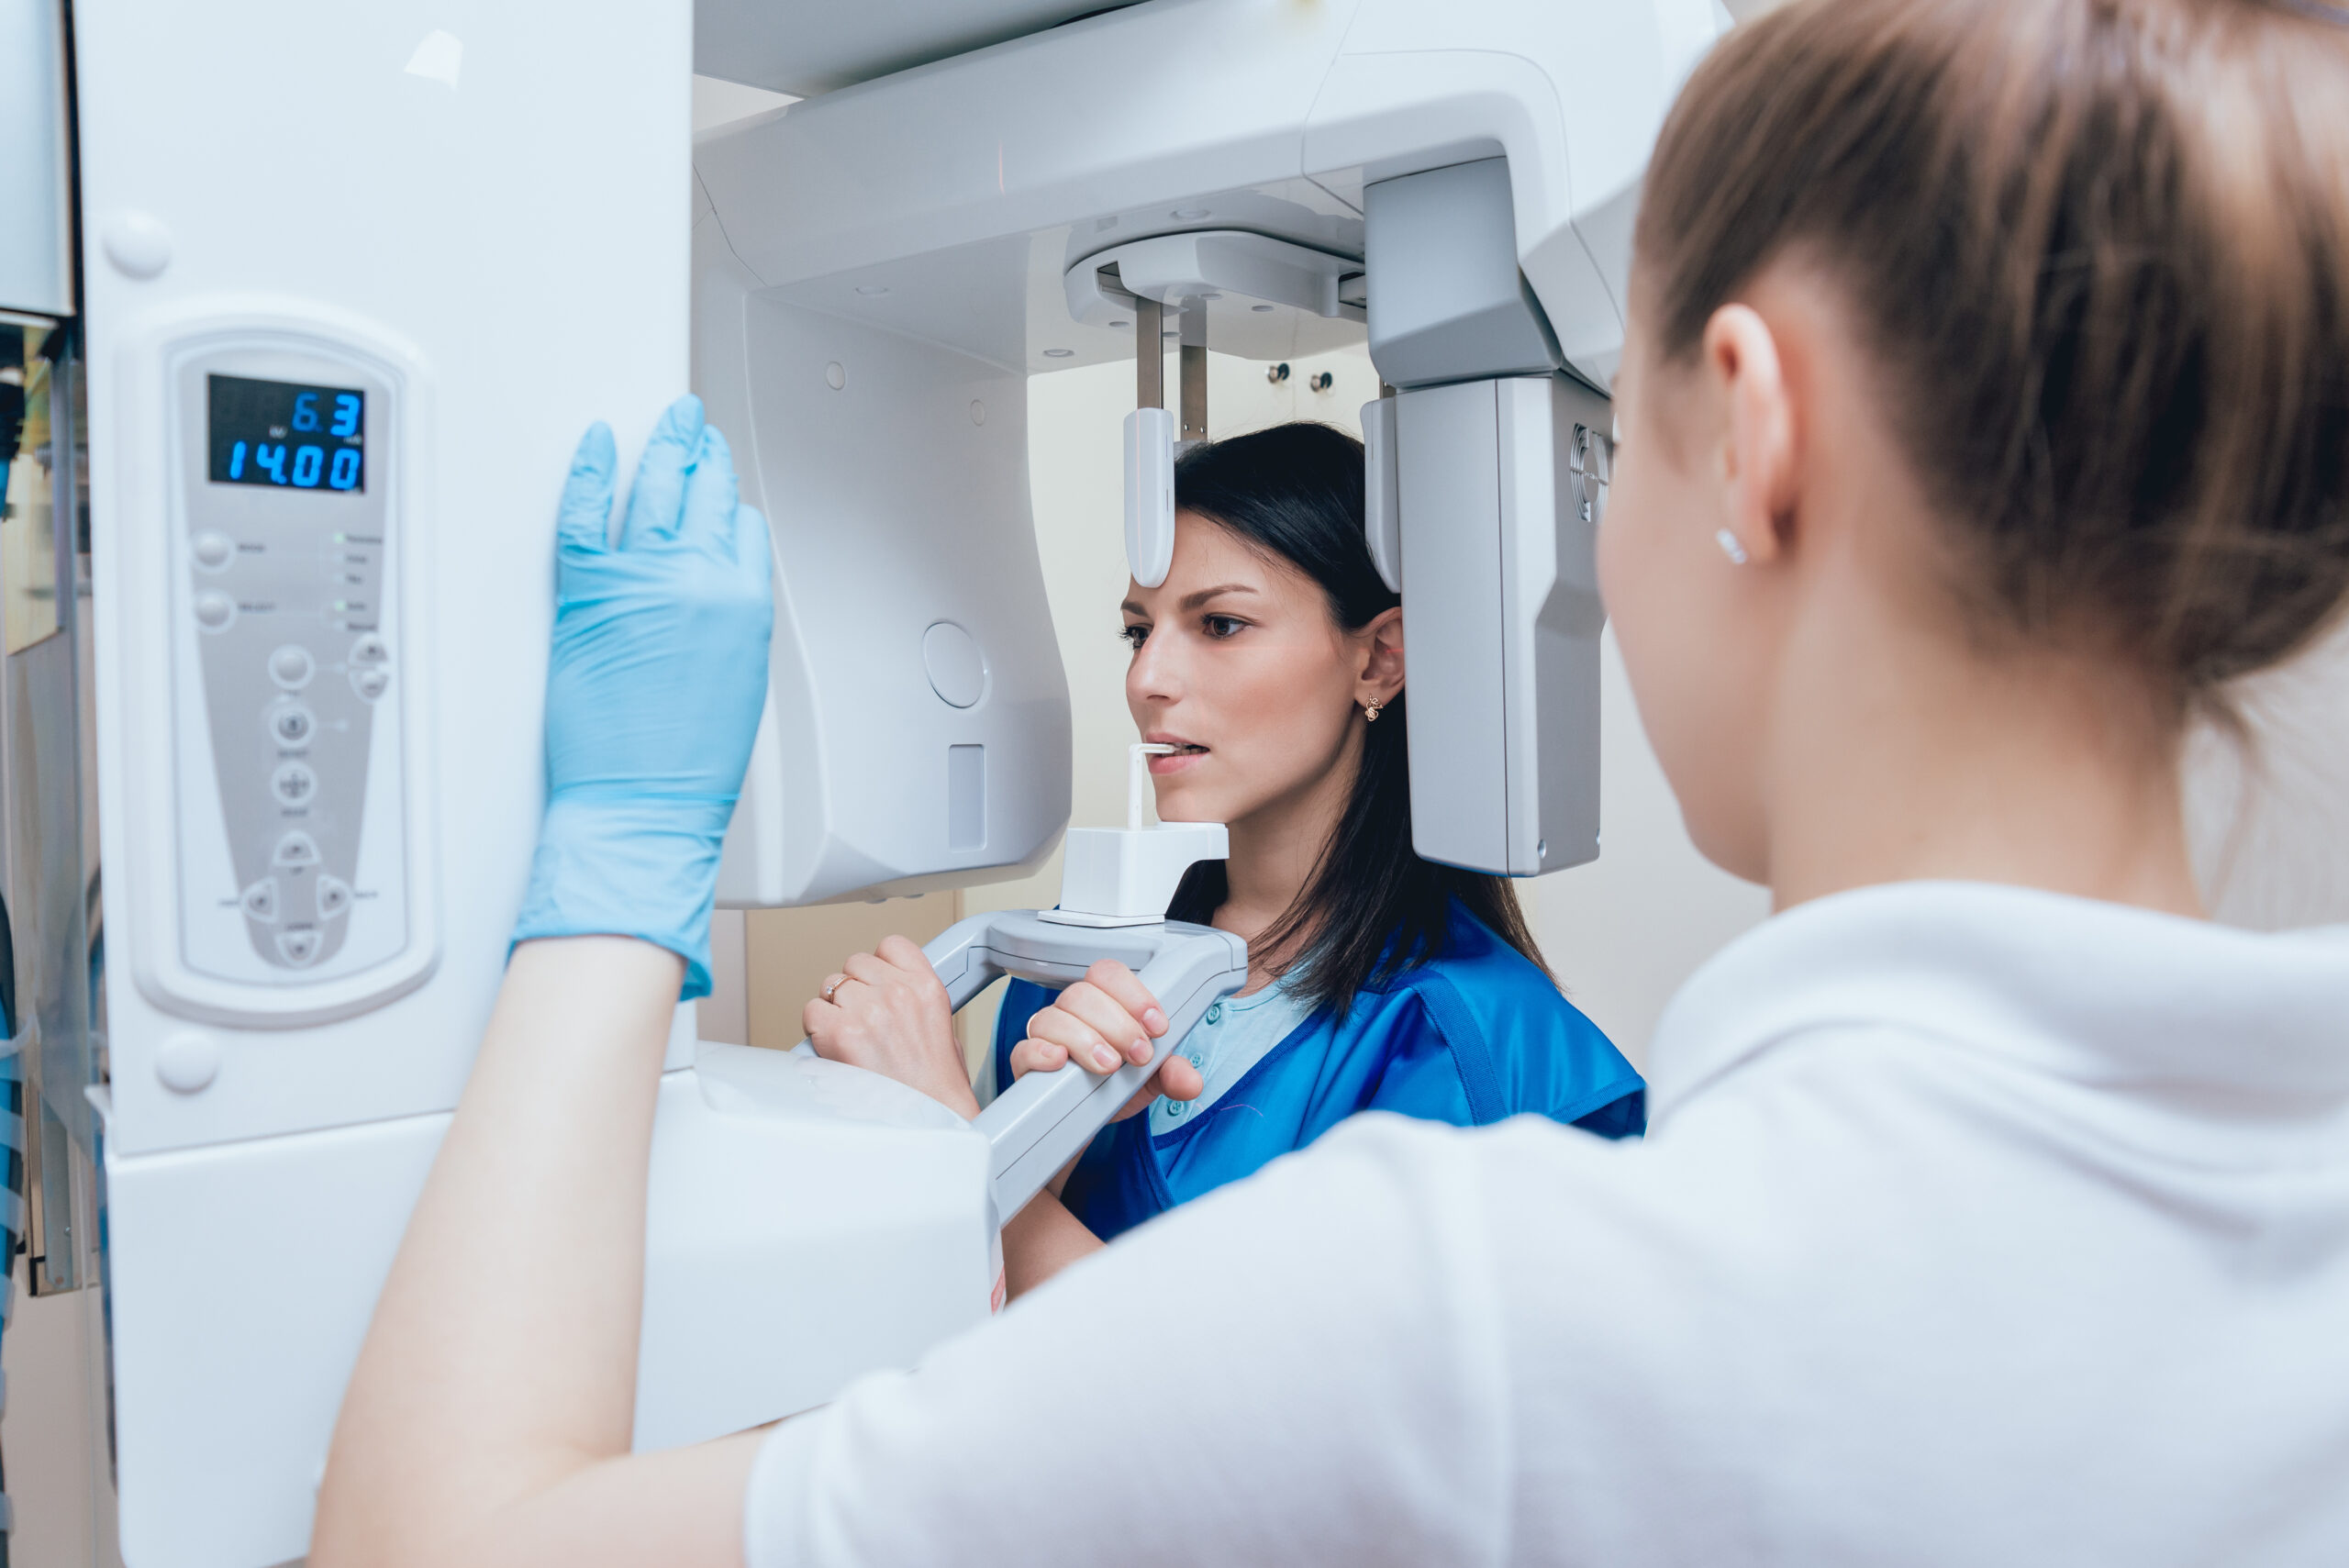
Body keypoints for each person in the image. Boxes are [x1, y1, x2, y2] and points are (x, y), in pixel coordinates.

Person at [313, 1, 2349, 1563]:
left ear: (1750, 430)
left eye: (1597, 445)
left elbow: (437, 1537)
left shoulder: (1473, 1304)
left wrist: (613, 878)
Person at [801, 423, 1643, 1296]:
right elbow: (955, 1331)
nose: (1147, 679)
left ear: (1380, 659)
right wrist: (1037, 1148)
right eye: (1138, 631)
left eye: (1220, 623)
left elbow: (1276, 1418)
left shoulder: (1467, 1039)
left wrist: (951, 1140)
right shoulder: (1071, 973)